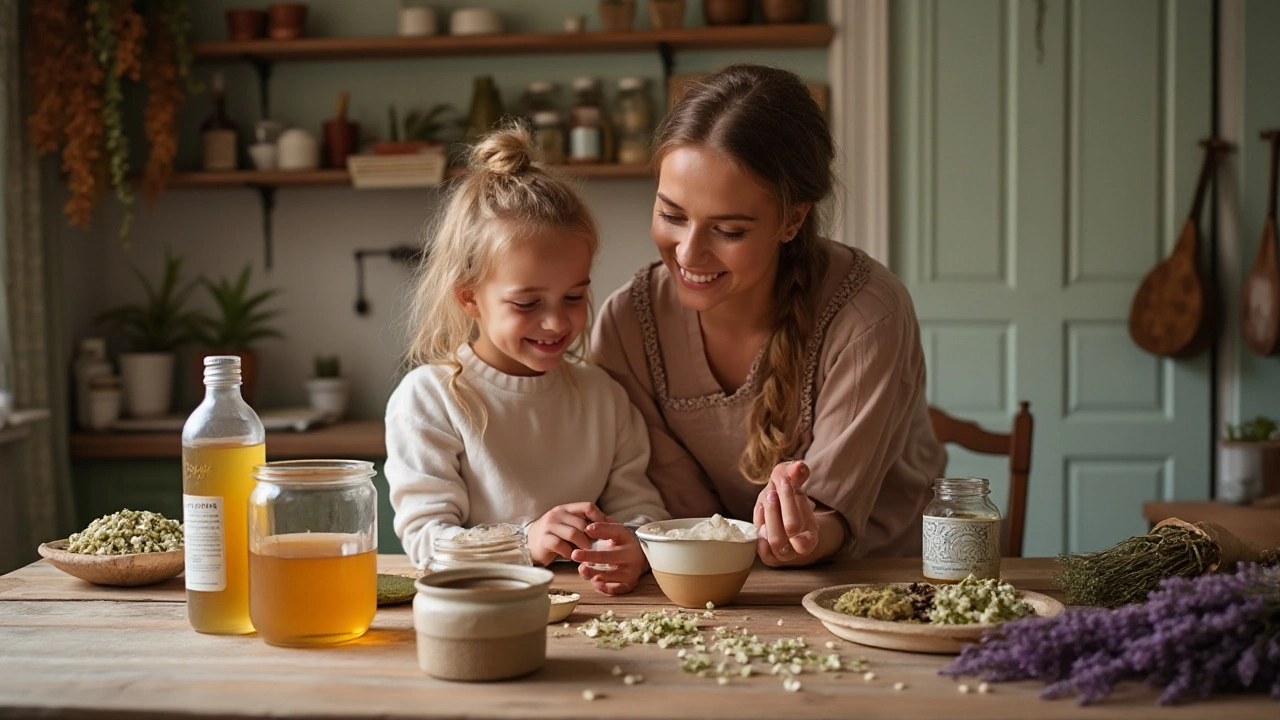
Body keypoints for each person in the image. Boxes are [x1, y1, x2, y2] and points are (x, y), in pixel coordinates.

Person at [589, 64, 946, 572]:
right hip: (713, 585)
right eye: (672, 215)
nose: (689, 253)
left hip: (876, 582)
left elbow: (831, 521)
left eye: (728, 230)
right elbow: (672, 512)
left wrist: (796, 531)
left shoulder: (868, 314)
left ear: (792, 219)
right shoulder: (628, 323)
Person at [385, 124, 668, 594]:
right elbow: (427, 542)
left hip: (593, 616)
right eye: (527, 304)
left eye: (574, 296)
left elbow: (642, 513)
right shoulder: (429, 400)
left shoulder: (603, 397)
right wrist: (524, 542)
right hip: (482, 609)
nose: (557, 323)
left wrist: (633, 549)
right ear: (469, 297)